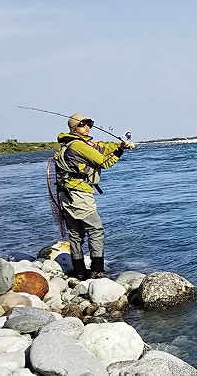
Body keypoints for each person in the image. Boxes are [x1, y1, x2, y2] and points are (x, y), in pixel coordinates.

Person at [54, 113, 135, 279]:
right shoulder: (78, 145)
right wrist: (120, 151)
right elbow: (104, 162)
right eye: (83, 124)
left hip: (65, 193)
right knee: (96, 230)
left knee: (75, 235)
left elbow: (101, 147)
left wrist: (119, 145)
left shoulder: (70, 144)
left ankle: (79, 272)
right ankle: (97, 271)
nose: (88, 126)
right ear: (74, 128)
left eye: (89, 123)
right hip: (79, 194)